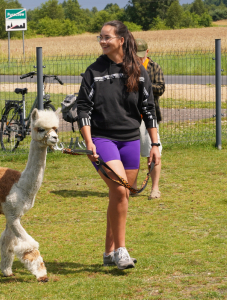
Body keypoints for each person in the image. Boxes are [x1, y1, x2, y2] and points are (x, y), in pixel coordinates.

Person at [76, 21, 161, 270]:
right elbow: (83, 108)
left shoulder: (138, 70)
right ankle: (122, 251)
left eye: (107, 37)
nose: (102, 41)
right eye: (100, 37)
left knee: (119, 194)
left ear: (121, 40)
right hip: (102, 139)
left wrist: (154, 143)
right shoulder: (93, 71)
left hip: (131, 139)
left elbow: (149, 108)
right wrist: (89, 142)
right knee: (121, 191)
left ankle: (108, 252)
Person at [133, 38, 165, 200]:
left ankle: (155, 188)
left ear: (147, 52)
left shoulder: (154, 67)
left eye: (140, 54)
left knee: (152, 153)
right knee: (130, 153)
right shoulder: (127, 67)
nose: (137, 57)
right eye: (134, 54)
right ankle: (131, 186)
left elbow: (160, 88)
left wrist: (143, 84)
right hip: (130, 117)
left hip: (148, 117)